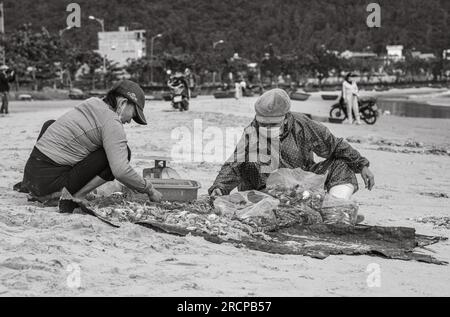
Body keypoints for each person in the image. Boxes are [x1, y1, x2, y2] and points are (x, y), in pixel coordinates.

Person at [209, 88, 375, 201]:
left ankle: (336, 206)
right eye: (263, 124)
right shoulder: (252, 131)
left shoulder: (302, 124)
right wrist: (219, 187)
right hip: (264, 191)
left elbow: (335, 145)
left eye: (272, 124)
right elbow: (234, 165)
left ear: (285, 117)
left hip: (300, 185)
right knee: (247, 162)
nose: (267, 128)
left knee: (341, 164)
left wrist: (362, 166)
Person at [19, 80, 162, 204]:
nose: (130, 120)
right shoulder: (111, 121)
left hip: (32, 178)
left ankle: (30, 186)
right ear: (123, 102)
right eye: (134, 114)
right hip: (49, 186)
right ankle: (77, 196)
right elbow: (121, 171)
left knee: (50, 123)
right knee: (124, 152)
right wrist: (150, 190)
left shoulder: (92, 103)